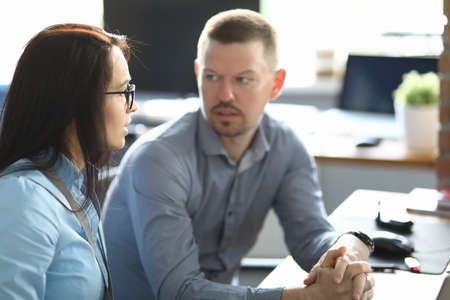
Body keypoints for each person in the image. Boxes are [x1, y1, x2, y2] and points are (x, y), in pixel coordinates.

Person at [103, 9, 374, 300]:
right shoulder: (159, 159)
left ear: (276, 83)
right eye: (212, 77)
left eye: (243, 80)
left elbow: (310, 235)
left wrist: (348, 249)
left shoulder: (286, 146)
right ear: (198, 74)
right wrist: (308, 296)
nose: (225, 95)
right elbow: (179, 292)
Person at [0, 23, 138, 300]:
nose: (132, 106)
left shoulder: (73, 187)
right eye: (123, 92)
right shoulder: (23, 199)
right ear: (79, 101)